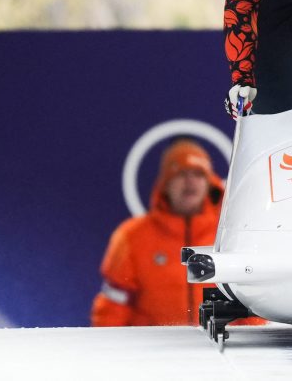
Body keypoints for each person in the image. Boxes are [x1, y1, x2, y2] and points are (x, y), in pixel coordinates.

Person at [91, 138, 265, 326]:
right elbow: (113, 308)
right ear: (165, 184)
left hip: (221, 344)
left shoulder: (233, 233)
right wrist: (107, 345)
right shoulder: (131, 236)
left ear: (209, 183)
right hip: (151, 345)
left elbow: (249, 302)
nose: (190, 181)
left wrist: (253, 343)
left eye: (198, 174)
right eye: (181, 174)